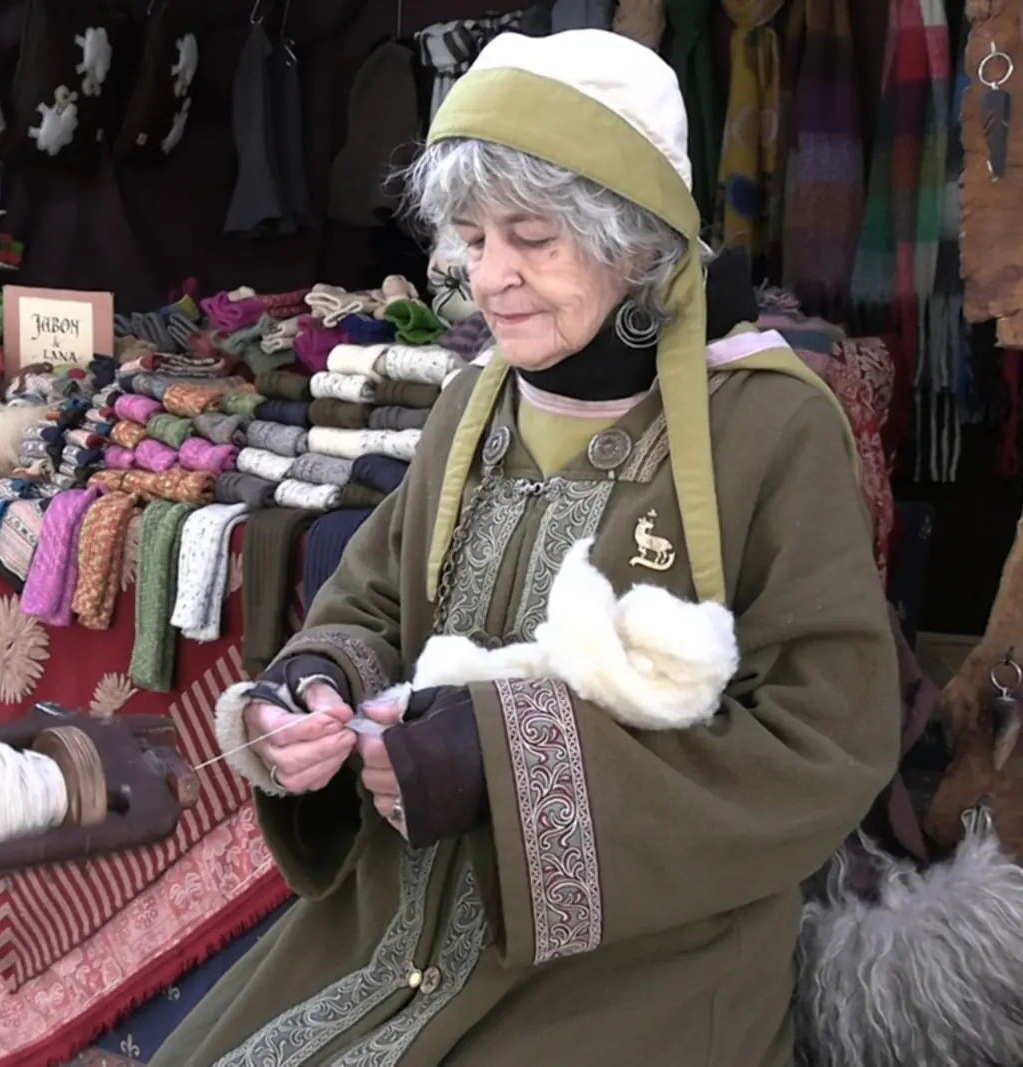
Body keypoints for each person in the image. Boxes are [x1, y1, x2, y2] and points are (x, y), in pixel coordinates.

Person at [151, 29, 900, 1067]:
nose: (488, 277)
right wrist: (317, 688)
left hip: (639, 967)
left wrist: (504, 766)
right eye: (471, 237)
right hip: (395, 922)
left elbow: (826, 739)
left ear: (633, 240)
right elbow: (372, 605)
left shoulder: (768, 427)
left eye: (532, 238)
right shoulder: (471, 404)